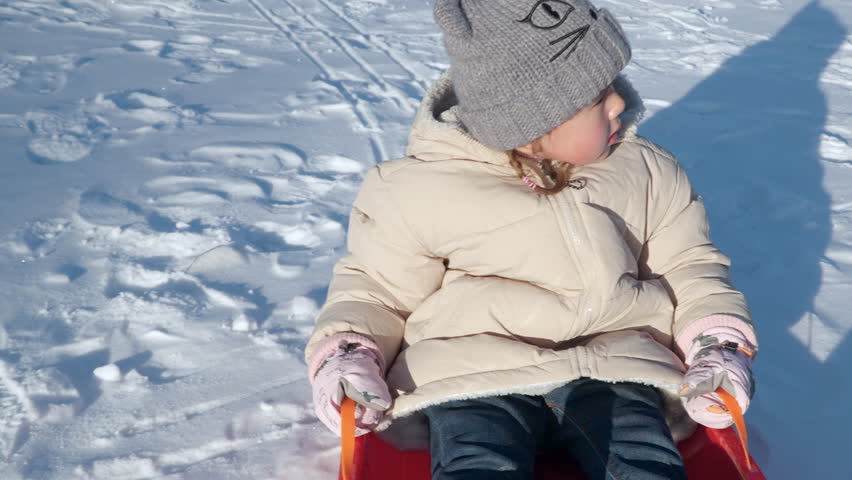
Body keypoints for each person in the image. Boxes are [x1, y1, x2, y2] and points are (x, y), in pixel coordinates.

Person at [305, 0, 759, 478]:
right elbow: (378, 290)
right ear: (529, 128)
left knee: (643, 460)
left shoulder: (646, 171)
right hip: (472, 373)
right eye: (595, 97)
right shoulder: (417, 190)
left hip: (616, 367)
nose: (620, 102)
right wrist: (349, 355)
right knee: (478, 464)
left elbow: (688, 265)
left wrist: (716, 341)